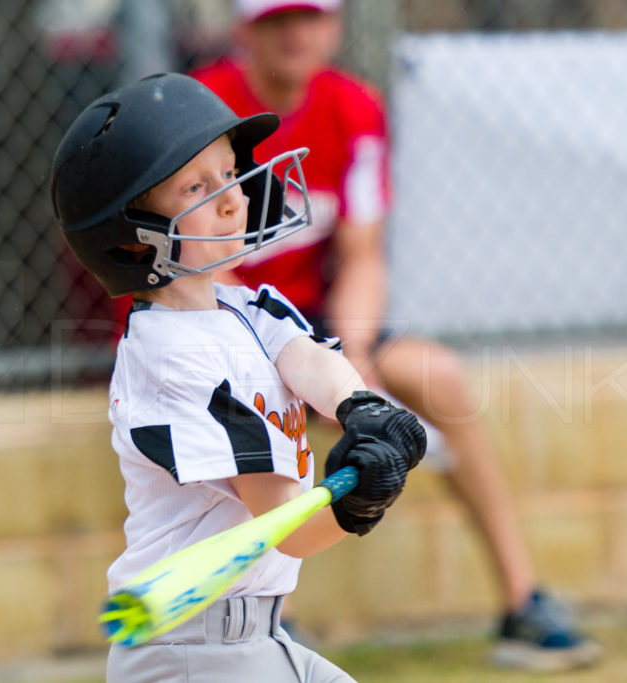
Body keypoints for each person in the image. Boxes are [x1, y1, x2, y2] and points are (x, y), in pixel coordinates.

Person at [187, 0, 604, 672]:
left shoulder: (353, 108)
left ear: (335, 25)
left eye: (310, 16)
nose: (296, 34)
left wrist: (355, 372)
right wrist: (315, 382)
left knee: (436, 376)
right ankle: (264, 620)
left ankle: (522, 602)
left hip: (311, 317)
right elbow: (209, 268)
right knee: (256, 402)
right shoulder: (204, 107)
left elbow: (362, 255)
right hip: (206, 313)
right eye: (276, 19)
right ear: (245, 29)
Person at [51, 72, 427, 682]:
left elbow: (305, 358)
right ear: (131, 239)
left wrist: (359, 405)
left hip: (253, 638)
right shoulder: (171, 356)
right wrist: (361, 500)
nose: (231, 198)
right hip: (192, 652)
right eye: (196, 187)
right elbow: (288, 528)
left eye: (229, 174)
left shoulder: (246, 308)